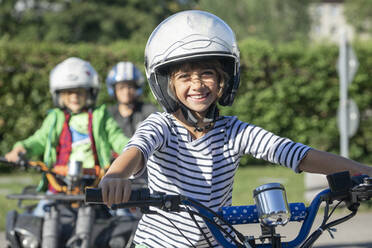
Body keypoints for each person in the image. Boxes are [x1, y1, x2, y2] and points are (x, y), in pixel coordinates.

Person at [98, 10, 372, 248]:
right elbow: (138, 149)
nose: (197, 84)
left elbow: (295, 153)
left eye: (207, 73)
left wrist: (363, 172)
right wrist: (116, 176)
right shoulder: (161, 125)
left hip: (220, 241)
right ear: (165, 85)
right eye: (184, 76)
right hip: (158, 243)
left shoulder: (235, 131)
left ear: (223, 81)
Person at [5, 57, 129, 208]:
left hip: (96, 182)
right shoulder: (55, 117)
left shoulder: (100, 116)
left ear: (90, 93)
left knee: (121, 215)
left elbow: (116, 137)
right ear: (59, 95)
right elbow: (39, 140)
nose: (74, 97)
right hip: (59, 182)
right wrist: (21, 149)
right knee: (41, 213)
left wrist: (131, 150)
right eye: (68, 92)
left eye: (80, 92)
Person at [106, 61, 159, 138]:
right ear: (114, 90)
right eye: (121, 87)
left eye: (130, 87)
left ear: (137, 88)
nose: (126, 92)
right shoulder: (108, 115)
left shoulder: (149, 111)